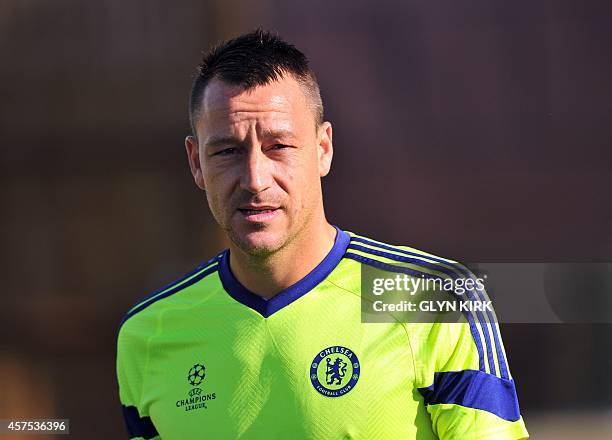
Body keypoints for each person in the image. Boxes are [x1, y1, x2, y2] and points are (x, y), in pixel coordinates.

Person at [116, 29, 529, 439]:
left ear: (323, 148)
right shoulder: (148, 334)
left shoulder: (431, 297)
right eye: (227, 151)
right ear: (195, 163)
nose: (256, 179)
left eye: (279, 146)